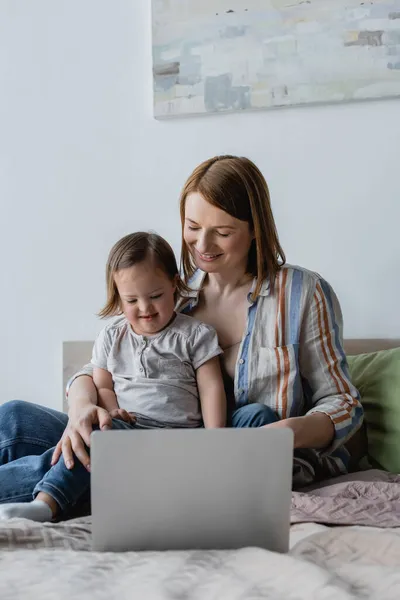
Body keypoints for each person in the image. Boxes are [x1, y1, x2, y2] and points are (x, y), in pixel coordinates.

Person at [0, 155, 363, 521]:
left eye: (222, 232)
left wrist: (293, 431)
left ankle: (51, 492)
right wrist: (81, 407)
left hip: (224, 449)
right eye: (192, 227)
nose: (202, 244)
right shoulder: (168, 292)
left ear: (255, 229)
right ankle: (82, 464)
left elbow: (343, 400)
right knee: (17, 418)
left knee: (102, 447)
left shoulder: (302, 293)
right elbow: (100, 365)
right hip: (137, 426)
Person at [0, 231, 226, 522]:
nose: (145, 308)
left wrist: (216, 441)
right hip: (122, 427)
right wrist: (110, 410)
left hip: (167, 444)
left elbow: (211, 388)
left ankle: (47, 503)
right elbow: (103, 383)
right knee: (15, 414)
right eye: (132, 300)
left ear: (174, 283)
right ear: (118, 297)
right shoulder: (112, 335)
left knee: (97, 437)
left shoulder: (194, 334)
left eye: (155, 296)